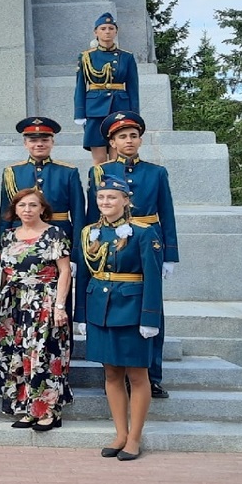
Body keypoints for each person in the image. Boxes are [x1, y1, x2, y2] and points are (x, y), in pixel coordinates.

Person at [86, 110, 178, 398]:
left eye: (133, 136)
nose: (129, 141)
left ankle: (152, 375)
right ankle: (116, 372)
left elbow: (167, 213)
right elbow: (94, 214)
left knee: (151, 309)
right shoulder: (99, 172)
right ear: (112, 142)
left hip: (148, 243)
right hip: (113, 244)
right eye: (122, 136)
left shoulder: (156, 172)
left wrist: (171, 254)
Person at [73, 175, 163, 460]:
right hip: (100, 308)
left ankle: (135, 437)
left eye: (112, 197)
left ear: (126, 200)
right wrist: (82, 315)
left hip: (131, 309)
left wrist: (150, 317)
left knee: (137, 374)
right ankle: (120, 433)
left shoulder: (143, 232)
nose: (105, 202)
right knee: (111, 373)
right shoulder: (89, 233)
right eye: (101, 198)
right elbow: (85, 274)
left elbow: (153, 278)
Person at [0, 187, 72, 431]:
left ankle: (49, 410)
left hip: (44, 301)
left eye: (32, 205)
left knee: (44, 355)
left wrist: (60, 306)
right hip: (15, 304)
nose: (27, 210)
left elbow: (65, 272)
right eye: (22, 206)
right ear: (15, 209)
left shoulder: (54, 234)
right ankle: (28, 409)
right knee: (19, 355)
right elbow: (6, 274)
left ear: (43, 209)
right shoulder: (8, 236)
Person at [0, 117, 84, 256]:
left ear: (52, 142)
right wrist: (1, 247)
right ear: (25, 143)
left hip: (59, 235)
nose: (39, 144)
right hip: (22, 236)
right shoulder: (12, 172)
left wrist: (76, 251)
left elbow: (78, 214)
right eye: (33, 140)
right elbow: (5, 214)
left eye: (45, 140)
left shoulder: (68, 172)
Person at [74, 12, 139, 165]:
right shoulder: (86, 57)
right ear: (96, 32)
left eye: (111, 28)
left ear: (116, 31)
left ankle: (118, 188)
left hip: (119, 108)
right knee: (99, 159)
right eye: (103, 28)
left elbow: (133, 88)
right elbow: (80, 87)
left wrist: (134, 114)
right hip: (95, 109)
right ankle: (98, 188)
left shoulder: (127, 57)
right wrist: (79, 113)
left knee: (118, 157)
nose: (107, 31)